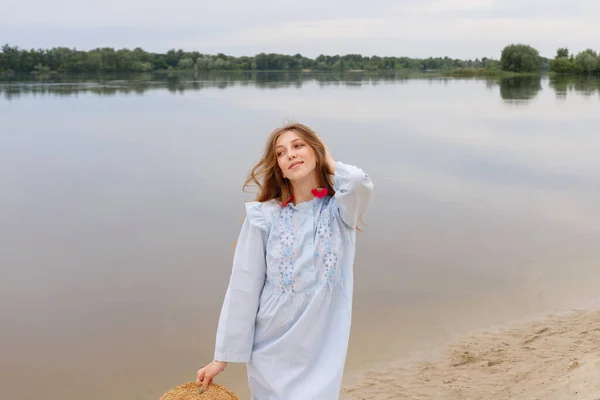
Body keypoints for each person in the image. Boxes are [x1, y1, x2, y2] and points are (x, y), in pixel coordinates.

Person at [196, 122, 374, 399]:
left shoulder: (340, 212)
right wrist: (222, 357)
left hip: (321, 346)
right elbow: (244, 285)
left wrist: (328, 159)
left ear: (316, 153)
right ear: (278, 167)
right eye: (280, 153)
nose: (290, 155)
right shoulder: (264, 217)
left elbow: (359, 182)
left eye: (298, 146)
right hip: (271, 348)